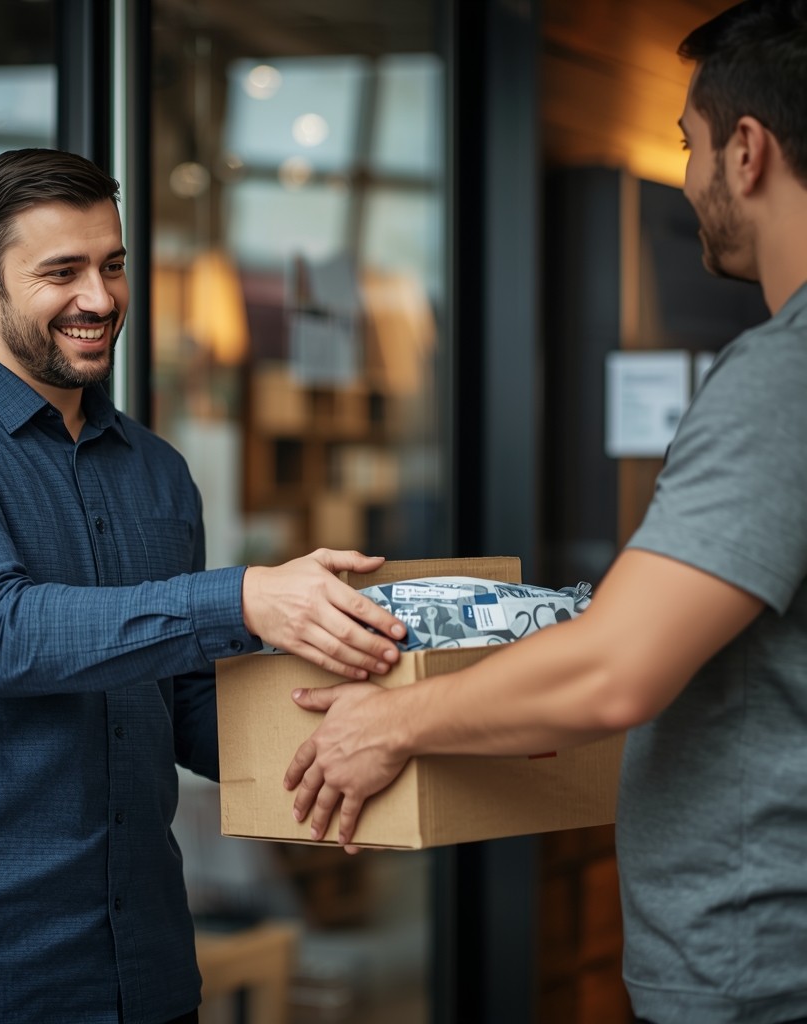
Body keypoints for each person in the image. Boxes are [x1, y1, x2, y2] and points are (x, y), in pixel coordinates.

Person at [282, 3, 807, 1022]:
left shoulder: (779, 378)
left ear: (746, 151)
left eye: (690, 147)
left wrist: (392, 721)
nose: (692, 180)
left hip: (764, 973)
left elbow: (618, 670)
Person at [0, 147, 406, 1024]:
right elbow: (2, 634)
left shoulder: (159, 472)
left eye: (113, 265)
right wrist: (243, 599)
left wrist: (382, 730)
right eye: (62, 272)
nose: (99, 300)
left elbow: (177, 706)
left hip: (146, 971)